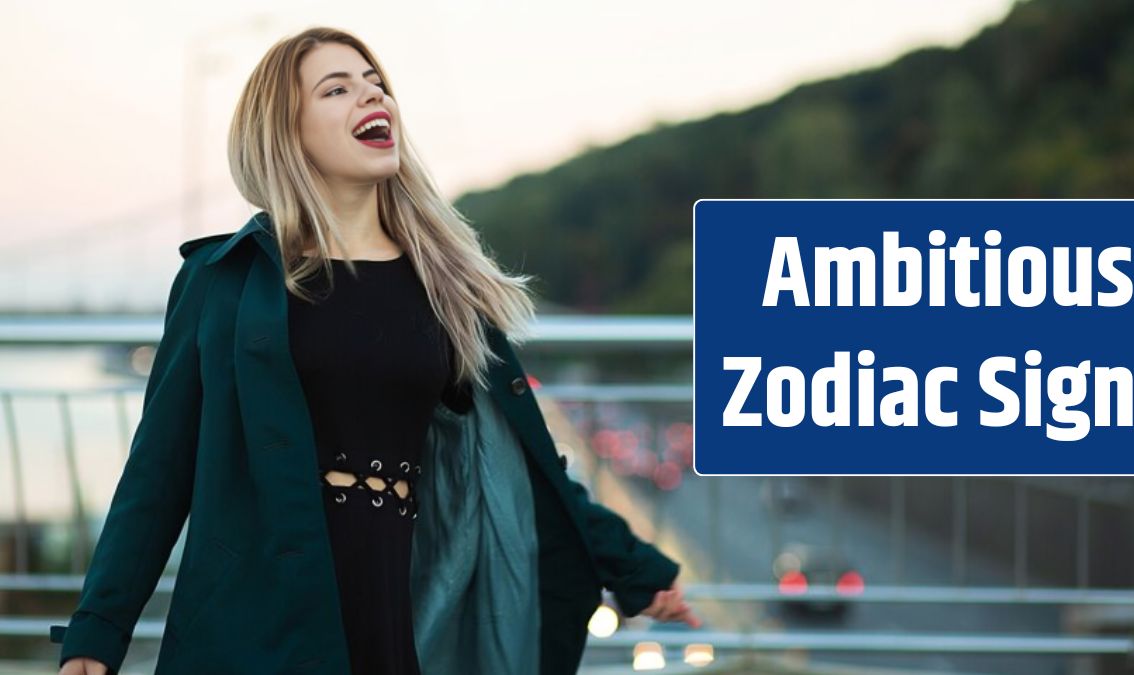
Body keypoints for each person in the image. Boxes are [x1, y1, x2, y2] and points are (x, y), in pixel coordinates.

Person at [53, 26, 699, 675]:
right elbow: (159, 470)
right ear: (287, 131)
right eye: (337, 89)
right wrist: (97, 629)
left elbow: (530, 462)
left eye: (377, 84)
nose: (372, 97)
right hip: (254, 613)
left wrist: (633, 565)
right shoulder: (226, 282)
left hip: (396, 605)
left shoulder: (446, 284)